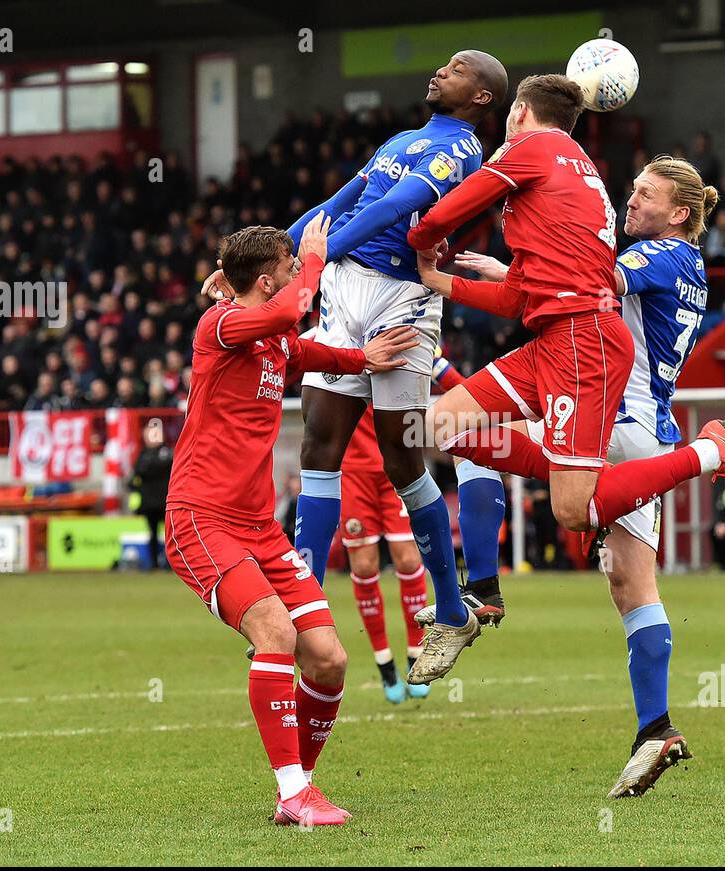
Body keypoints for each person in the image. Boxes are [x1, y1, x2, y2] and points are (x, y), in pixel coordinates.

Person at [408, 83, 725, 686]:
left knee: (583, 525)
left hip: (616, 412)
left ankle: (710, 452)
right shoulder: (680, 266)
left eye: (645, 195)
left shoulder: (661, 256)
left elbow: (591, 274)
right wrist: (502, 278)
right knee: (627, 581)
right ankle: (653, 728)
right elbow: (571, 278)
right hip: (599, 391)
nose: (630, 202)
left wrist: (515, 266)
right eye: (630, 191)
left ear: (679, 213)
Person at [201, 52, 509, 669]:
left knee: (402, 459)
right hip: (343, 291)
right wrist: (264, 266)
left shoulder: (464, 153)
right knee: (319, 447)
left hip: (401, 299)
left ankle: (452, 610)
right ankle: (301, 602)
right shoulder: (401, 139)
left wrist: (304, 271)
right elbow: (340, 201)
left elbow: (388, 212)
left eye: (455, 70)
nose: (439, 73)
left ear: (481, 98)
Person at [164, 215, 416, 826]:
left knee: (328, 659)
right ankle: (292, 791)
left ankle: (299, 785)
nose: (300, 275)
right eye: (288, 267)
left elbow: (313, 350)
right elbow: (283, 316)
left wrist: (367, 356)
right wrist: (311, 259)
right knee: (275, 633)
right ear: (268, 276)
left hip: (259, 527)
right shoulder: (220, 323)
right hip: (201, 517)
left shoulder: (277, 342)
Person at [338, 408, 432, 703]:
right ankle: (385, 663)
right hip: (354, 472)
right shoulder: (344, 362)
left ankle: (416, 656)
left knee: (407, 559)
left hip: (396, 461)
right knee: (364, 566)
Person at [130, 422, 173, 570]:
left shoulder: (166, 452)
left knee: (170, 535)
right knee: (153, 534)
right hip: (149, 502)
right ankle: (154, 563)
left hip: (165, 500)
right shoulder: (143, 454)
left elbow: (152, 469)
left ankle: (170, 564)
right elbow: (136, 474)